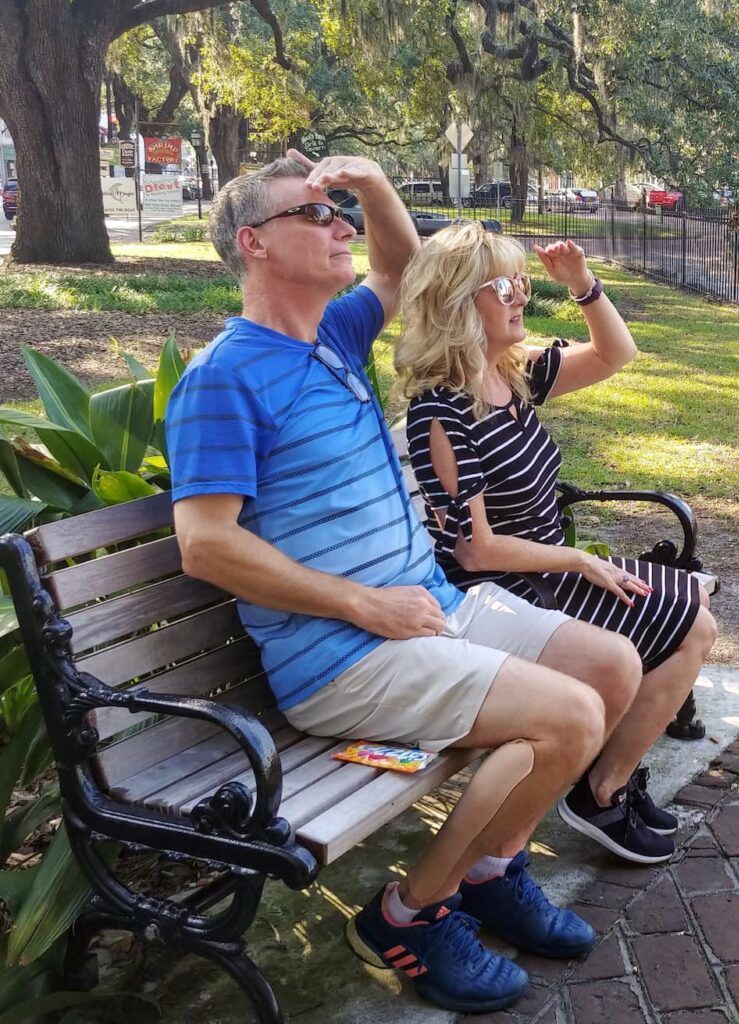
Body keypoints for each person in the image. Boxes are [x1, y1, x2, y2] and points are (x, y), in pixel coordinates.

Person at [165, 154, 647, 1015]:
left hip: (431, 608)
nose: (340, 228)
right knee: (567, 715)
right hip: (341, 658)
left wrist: (375, 183)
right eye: (315, 217)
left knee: (611, 667)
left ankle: (493, 873)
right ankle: (405, 915)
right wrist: (362, 603)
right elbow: (204, 545)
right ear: (253, 244)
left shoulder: (337, 335)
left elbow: (397, 265)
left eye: (339, 214)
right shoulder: (223, 378)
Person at [396, 221, 719, 865]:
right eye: (504, 286)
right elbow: (474, 551)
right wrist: (580, 559)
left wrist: (582, 285)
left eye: (521, 281)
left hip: (550, 569)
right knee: (683, 624)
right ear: (459, 303)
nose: (520, 296)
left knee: (697, 615)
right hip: (499, 588)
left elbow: (614, 354)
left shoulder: (509, 375)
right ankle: (599, 792)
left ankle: (608, 783)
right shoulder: (442, 411)